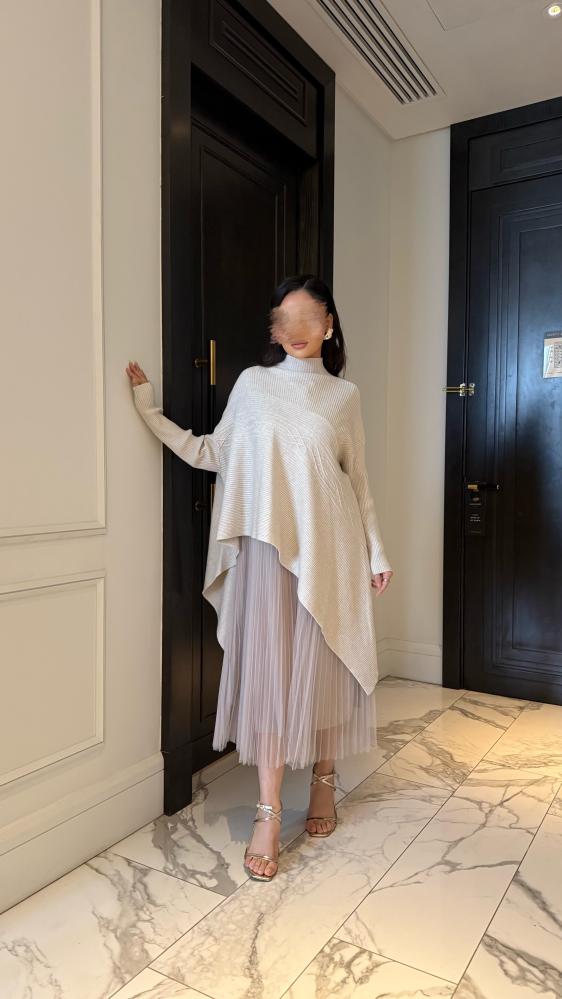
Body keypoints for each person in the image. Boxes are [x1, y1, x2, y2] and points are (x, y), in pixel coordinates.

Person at [125, 274, 393, 883]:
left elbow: (357, 480)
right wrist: (150, 412)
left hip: (332, 551)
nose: (296, 331)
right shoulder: (253, 384)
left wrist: (376, 552)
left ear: (329, 324)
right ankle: (269, 811)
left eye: (308, 318)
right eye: (284, 320)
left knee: (329, 668)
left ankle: (324, 779)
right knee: (271, 680)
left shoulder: (344, 396)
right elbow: (213, 453)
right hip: (269, 556)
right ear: (274, 330)